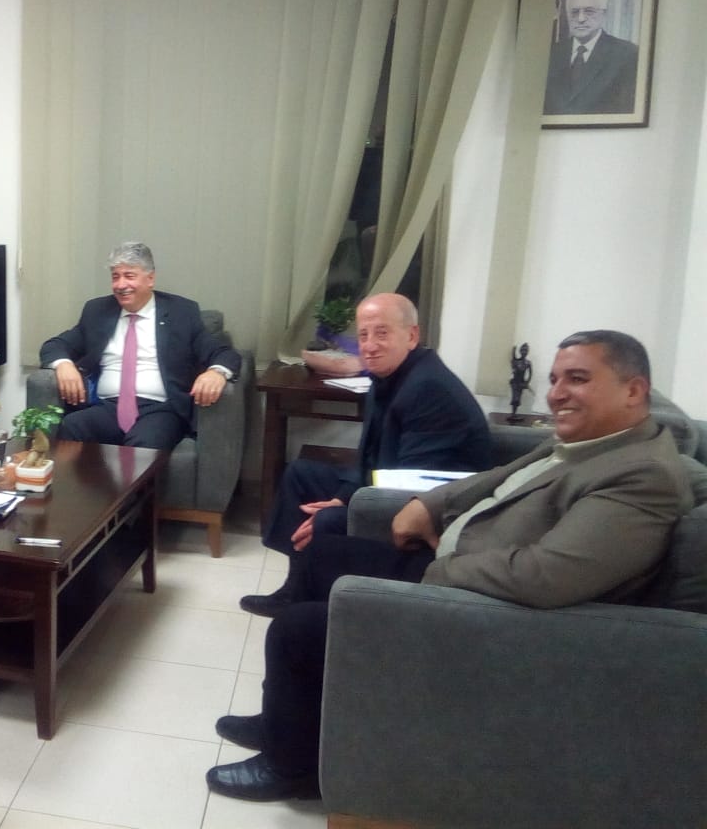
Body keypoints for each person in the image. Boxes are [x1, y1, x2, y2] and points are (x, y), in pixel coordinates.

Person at [209, 330, 692, 802]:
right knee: (322, 556)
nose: (556, 394)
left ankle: (291, 768)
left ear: (633, 390)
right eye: (555, 379)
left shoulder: (641, 476)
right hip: (457, 568)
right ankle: (288, 722)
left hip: (483, 609)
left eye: (578, 379)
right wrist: (427, 505)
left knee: (296, 630)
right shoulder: (588, 441)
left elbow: (546, 577)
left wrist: (445, 570)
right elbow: (493, 479)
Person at [241, 293, 490, 617]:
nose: (370, 346)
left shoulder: (428, 389)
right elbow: (369, 455)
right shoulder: (387, 377)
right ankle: (298, 585)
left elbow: (415, 491)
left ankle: (316, 603)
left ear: (412, 335)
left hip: (429, 513)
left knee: (326, 519)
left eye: (382, 333)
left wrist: (346, 505)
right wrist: (343, 497)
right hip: (390, 486)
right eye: (363, 335)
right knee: (300, 474)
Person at [37, 241, 242, 450]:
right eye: (115, 277)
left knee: (143, 446)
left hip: (160, 410)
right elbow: (54, 345)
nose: (120, 285)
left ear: (150, 278)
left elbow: (224, 353)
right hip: (108, 407)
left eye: (129, 276)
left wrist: (216, 372)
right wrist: (64, 365)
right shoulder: (98, 311)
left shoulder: (181, 312)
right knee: (72, 427)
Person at [543, 0, 639, 116]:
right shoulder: (551, 53)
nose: (581, 19)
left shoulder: (627, 54)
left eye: (589, 11)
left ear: (604, 14)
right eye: (574, 12)